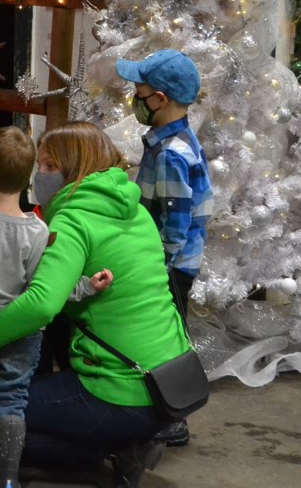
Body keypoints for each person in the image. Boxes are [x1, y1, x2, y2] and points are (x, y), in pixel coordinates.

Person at [0, 122, 191, 488]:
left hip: (118, 390)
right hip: (164, 386)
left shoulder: (73, 220)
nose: (38, 177)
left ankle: (120, 448)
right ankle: (126, 437)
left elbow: (40, 305)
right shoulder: (135, 212)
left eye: (48, 167)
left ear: (73, 169)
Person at [0, 126, 114, 488]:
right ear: (29, 178)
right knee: (12, 400)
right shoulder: (38, 230)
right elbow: (45, 288)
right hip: (22, 335)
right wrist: (86, 287)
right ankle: (7, 478)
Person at [115, 49, 213, 447]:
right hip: (171, 261)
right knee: (170, 334)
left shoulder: (173, 153)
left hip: (170, 265)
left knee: (170, 339)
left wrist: (159, 266)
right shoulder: (170, 141)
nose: (133, 98)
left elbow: (175, 221)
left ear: (161, 99)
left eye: (139, 90)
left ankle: (175, 417)